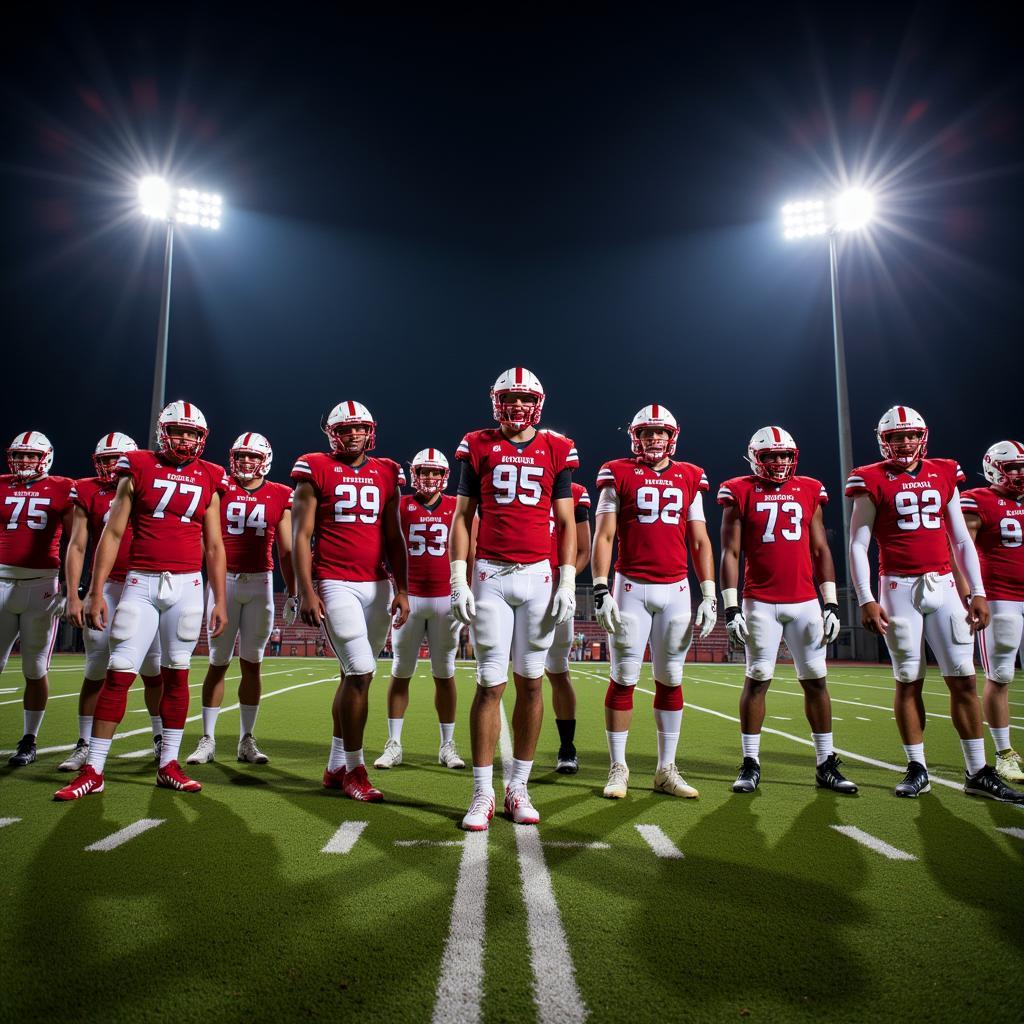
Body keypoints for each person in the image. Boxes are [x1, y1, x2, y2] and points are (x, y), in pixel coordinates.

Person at [847, 405, 1023, 802]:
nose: (904, 442)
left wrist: (976, 590)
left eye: (911, 435)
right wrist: (866, 598)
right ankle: (917, 767)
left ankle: (978, 771)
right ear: (884, 440)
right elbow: (858, 543)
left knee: (963, 677)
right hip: (897, 586)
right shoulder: (870, 477)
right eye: (896, 436)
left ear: (923, 436)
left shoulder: (943, 470)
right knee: (908, 678)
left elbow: (961, 539)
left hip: (943, 582)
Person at [54, 401, 228, 800]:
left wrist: (219, 599)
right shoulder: (136, 465)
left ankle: (168, 763)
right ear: (162, 431)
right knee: (119, 670)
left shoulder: (210, 475)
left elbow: (215, 545)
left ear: (202, 438)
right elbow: (112, 534)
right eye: (178, 431)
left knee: (177, 673)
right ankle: (94, 769)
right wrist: (95, 590)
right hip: (141, 580)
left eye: (192, 433)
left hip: (187, 585)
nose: (185, 439)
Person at [451, 367, 579, 830]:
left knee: (531, 681)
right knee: (490, 683)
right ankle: (482, 792)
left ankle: (517, 786)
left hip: (538, 576)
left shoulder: (555, 447)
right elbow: (463, 517)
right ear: (495, 402)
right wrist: (458, 578)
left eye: (525, 399)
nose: (517, 407)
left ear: (538, 403)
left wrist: (567, 580)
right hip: (490, 573)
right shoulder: (478, 444)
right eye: (510, 398)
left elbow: (565, 523)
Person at [718, 426, 857, 794]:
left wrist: (830, 603)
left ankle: (825, 762)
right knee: (758, 677)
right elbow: (730, 552)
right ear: (755, 458)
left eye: (784, 456)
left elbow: (821, 549)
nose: (779, 462)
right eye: (770, 456)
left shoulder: (809, 488)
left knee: (816, 679)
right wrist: (731, 608)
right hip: (760, 600)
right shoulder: (739, 490)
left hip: (805, 601)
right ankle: (750, 762)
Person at [591, 404, 717, 800]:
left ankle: (666, 769)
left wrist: (709, 592)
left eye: (660, 433)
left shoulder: (689, 476)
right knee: (624, 677)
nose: (654, 439)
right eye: (647, 433)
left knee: (671, 679)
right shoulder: (618, 471)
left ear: (672, 436)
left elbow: (699, 539)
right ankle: (619, 766)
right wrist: (599, 586)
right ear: (636, 437)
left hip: (677, 588)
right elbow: (605, 534)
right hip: (631, 587)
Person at [291, 400, 409, 802]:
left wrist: (404, 589)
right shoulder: (314, 466)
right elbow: (300, 534)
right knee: (359, 670)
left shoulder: (387, 471)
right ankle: (355, 770)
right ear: (332, 434)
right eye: (345, 429)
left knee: (356, 674)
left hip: (378, 584)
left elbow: (394, 536)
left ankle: (335, 763)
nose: (354, 434)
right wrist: (306, 590)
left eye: (360, 428)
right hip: (334, 581)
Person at [187, 432, 295, 766]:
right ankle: (208, 737)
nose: (246, 462)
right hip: (225, 582)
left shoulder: (280, 494)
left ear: (266, 460)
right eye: (242, 456)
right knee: (218, 662)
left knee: (252, 664)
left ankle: (247, 738)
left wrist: (293, 591)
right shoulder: (220, 486)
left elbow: (287, 549)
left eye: (253, 456)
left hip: (260, 583)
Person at [61, 433, 163, 773]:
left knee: (153, 670)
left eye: (114, 459)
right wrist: (76, 593)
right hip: (105, 587)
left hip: (143, 583)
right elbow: (76, 545)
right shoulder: (87, 490)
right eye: (103, 459)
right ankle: (85, 743)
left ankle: (161, 738)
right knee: (96, 668)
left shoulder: (149, 479)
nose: (108, 465)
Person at [375, 448, 464, 771]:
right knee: (401, 671)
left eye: (435, 473)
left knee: (445, 673)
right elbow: (382, 545)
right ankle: (394, 742)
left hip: (445, 598)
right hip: (409, 597)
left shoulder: (457, 506)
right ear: (415, 475)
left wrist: (464, 590)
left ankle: (447, 744)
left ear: (444, 476)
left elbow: (471, 548)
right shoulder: (400, 506)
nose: (429, 478)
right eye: (424, 472)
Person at [0, 431, 74, 766]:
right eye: (20, 455)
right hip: (0, 580)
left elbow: (77, 541)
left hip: (41, 585)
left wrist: (75, 589)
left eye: (32, 455)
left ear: (46, 457)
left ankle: (29, 740)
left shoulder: (62, 487)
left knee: (34, 667)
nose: (25, 461)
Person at [961, 440, 1024, 783]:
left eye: (1022, 466)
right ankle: (1003, 752)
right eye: (1012, 467)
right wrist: (971, 594)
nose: (1018, 473)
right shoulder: (978, 500)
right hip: (1001, 598)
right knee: (1000, 676)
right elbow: (961, 549)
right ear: (993, 469)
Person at [543, 481, 591, 773]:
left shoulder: (573, 492)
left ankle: (567, 747)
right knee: (501, 673)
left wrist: (566, 583)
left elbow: (583, 549)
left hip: (555, 588)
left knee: (558, 669)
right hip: (511, 584)